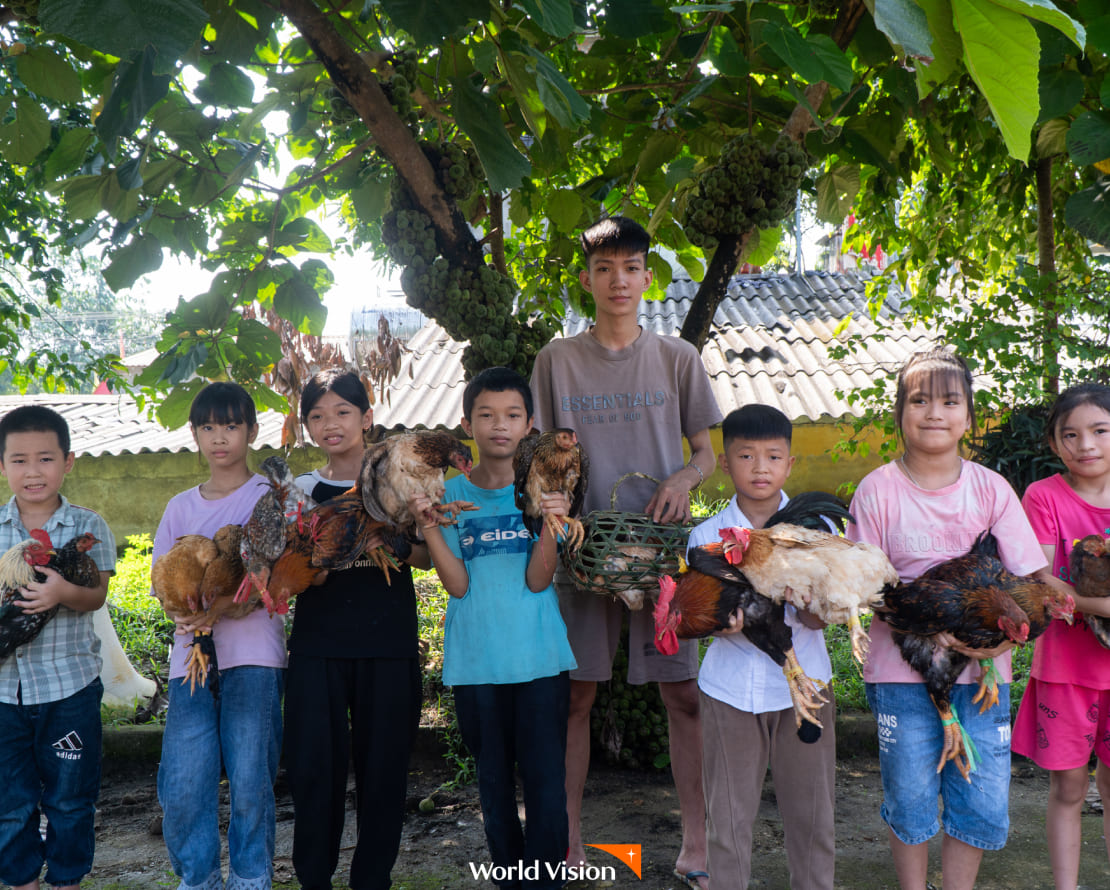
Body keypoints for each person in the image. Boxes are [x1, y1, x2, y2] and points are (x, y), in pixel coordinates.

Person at [530, 216, 722, 888]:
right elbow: (539, 457)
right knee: (576, 697)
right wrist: (554, 495)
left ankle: (697, 843)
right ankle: (569, 843)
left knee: (685, 696)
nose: (619, 280)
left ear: (646, 277)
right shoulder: (555, 361)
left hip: (663, 556)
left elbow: (706, 453)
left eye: (632, 266)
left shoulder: (677, 359)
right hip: (584, 556)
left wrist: (682, 479)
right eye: (605, 268)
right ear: (587, 279)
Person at [846, 348, 1046, 890]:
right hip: (900, 674)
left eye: (950, 400)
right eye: (920, 400)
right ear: (900, 413)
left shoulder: (990, 489)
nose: (935, 412)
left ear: (968, 415)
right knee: (910, 795)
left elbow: (1028, 582)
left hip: (983, 678)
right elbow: (865, 586)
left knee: (979, 794)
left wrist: (999, 650)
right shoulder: (878, 490)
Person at [419, 365, 577, 889]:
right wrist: (431, 528)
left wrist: (553, 523)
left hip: (539, 660)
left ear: (530, 425)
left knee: (546, 787)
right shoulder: (451, 493)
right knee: (493, 786)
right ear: (468, 424)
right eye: (486, 415)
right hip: (477, 663)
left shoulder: (544, 491)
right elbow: (458, 586)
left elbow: (538, 580)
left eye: (512, 415)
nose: (499, 425)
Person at [284, 368, 427, 890]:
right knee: (314, 771)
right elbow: (293, 574)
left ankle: (372, 879)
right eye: (317, 416)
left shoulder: (400, 482)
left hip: (388, 644)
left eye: (343, 411)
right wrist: (319, 559)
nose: (330, 424)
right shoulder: (300, 490)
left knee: (384, 772)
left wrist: (384, 542)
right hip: (317, 649)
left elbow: (427, 557)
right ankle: (314, 879)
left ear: (366, 417)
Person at [690, 404, 835, 890]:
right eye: (746, 456)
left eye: (773, 456)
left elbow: (820, 619)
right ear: (726, 463)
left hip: (808, 688)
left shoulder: (818, 530)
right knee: (727, 824)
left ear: (790, 464)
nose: (760, 467)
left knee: (812, 820)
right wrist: (718, 622)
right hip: (729, 692)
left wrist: (810, 602)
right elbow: (698, 614)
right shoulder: (704, 537)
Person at [153, 382, 286, 890]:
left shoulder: (267, 498)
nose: (219, 437)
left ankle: (251, 880)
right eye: (208, 427)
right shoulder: (179, 508)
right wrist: (184, 614)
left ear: (252, 431)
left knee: (252, 781)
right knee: (185, 782)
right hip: (191, 660)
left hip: (254, 656)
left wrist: (229, 606)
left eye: (231, 425)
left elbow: (277, 575)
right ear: (194, 434)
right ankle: (199, 881)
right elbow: (163, 581)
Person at [0, 405, 116, 890]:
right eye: (20, 460)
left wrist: (61, 593)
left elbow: (97, 596)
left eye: (45, 459)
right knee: (10, 801)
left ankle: (67, 881)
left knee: (71, 798)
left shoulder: (89, 527)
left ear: (67, 462)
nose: (33, 471)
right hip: (4, 693)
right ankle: (20, 882)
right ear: (2, 465)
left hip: (69, 687)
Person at [1011, 382, 1110, 890]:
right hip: (1066, 670)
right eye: (1070, 435)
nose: (1086, 445)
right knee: (1069, 786)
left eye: (1099, 430)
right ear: (1053, 444)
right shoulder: (1044, 495)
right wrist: (1101, 607)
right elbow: (1042, 579)